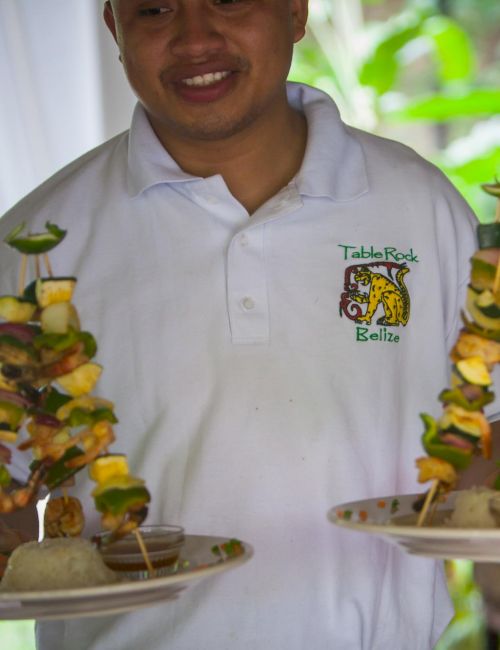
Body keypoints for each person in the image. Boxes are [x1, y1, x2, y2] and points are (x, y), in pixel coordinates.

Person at [0, 1, 497, 648]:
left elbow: (481, 436)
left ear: (295, 10)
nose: (195, 38)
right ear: (113, 27)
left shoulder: (419, 205)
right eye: (154, 9)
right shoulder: (33, 246)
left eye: (229, 0)